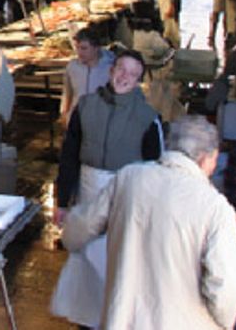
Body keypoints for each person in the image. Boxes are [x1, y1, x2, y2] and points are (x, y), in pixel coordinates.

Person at [62, 115, 236, 330]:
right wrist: (225, 323)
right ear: (206, 158)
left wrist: (68, 238)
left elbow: (79, 228)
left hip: (122, 320)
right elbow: (226, 286)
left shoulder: (129, 177)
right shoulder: (215, 207)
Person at [51, 49, 162, 328]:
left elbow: (157, 167)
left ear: (139, 81)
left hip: (127, 193)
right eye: (121, 70)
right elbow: (69, 156)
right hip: (88, 191)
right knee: (86, 260)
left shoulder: (148, 117)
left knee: (120, 262)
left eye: (133, 74)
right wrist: (61, 200)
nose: (125, 77)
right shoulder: (86, 106)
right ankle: (85, 320)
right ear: (112, 70)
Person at [59, 24, 116, 126]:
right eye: (77, 48)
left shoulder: (111, 67)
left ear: (96, 48)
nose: (79, 52)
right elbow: (68, 92)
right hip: (78, 120)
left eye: (84, 48)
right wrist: (65, 113)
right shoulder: (72, 67)